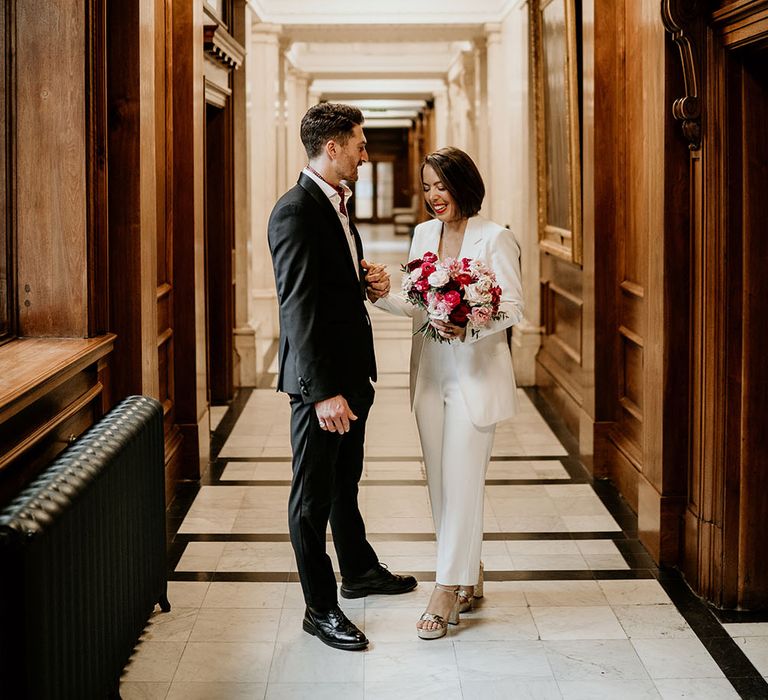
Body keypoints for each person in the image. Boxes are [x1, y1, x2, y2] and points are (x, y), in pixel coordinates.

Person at [267, 102, 417, 652]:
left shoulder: (335, 204)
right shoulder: (295, 211)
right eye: (358, 142)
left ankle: (358, 570)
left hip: (352, 376)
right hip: (321, 387)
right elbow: (298, 308)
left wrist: (363, 278)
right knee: (311, 500)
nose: (364, 152)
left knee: (344, 483)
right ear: (332, 147)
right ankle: (319, 608)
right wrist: (323, 392)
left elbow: (327, 284)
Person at [374, 147, 524, 639]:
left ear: (464, 186)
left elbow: (513, 307)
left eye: (442, 185)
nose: (434, 196)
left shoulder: (495, 237)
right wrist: (379, 295)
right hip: (431, 375)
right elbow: (419, 306)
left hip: (475, 376)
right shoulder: (423, 235)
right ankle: (467, 571)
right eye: (426, 187)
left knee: (462, 479)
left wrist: (470, 327)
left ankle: (444, 590)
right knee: (440, 482)